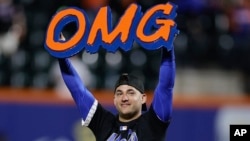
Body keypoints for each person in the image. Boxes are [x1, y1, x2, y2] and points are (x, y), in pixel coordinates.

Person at [57, 32, 175, 140]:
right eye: (119, 93)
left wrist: (168, 49)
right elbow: (78, 90)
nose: (124, 98)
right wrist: (63, 57)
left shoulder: (152, 123)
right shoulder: (103, 122)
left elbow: (166, 86)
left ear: (143, 98)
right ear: (114, 100)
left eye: (131, 92)